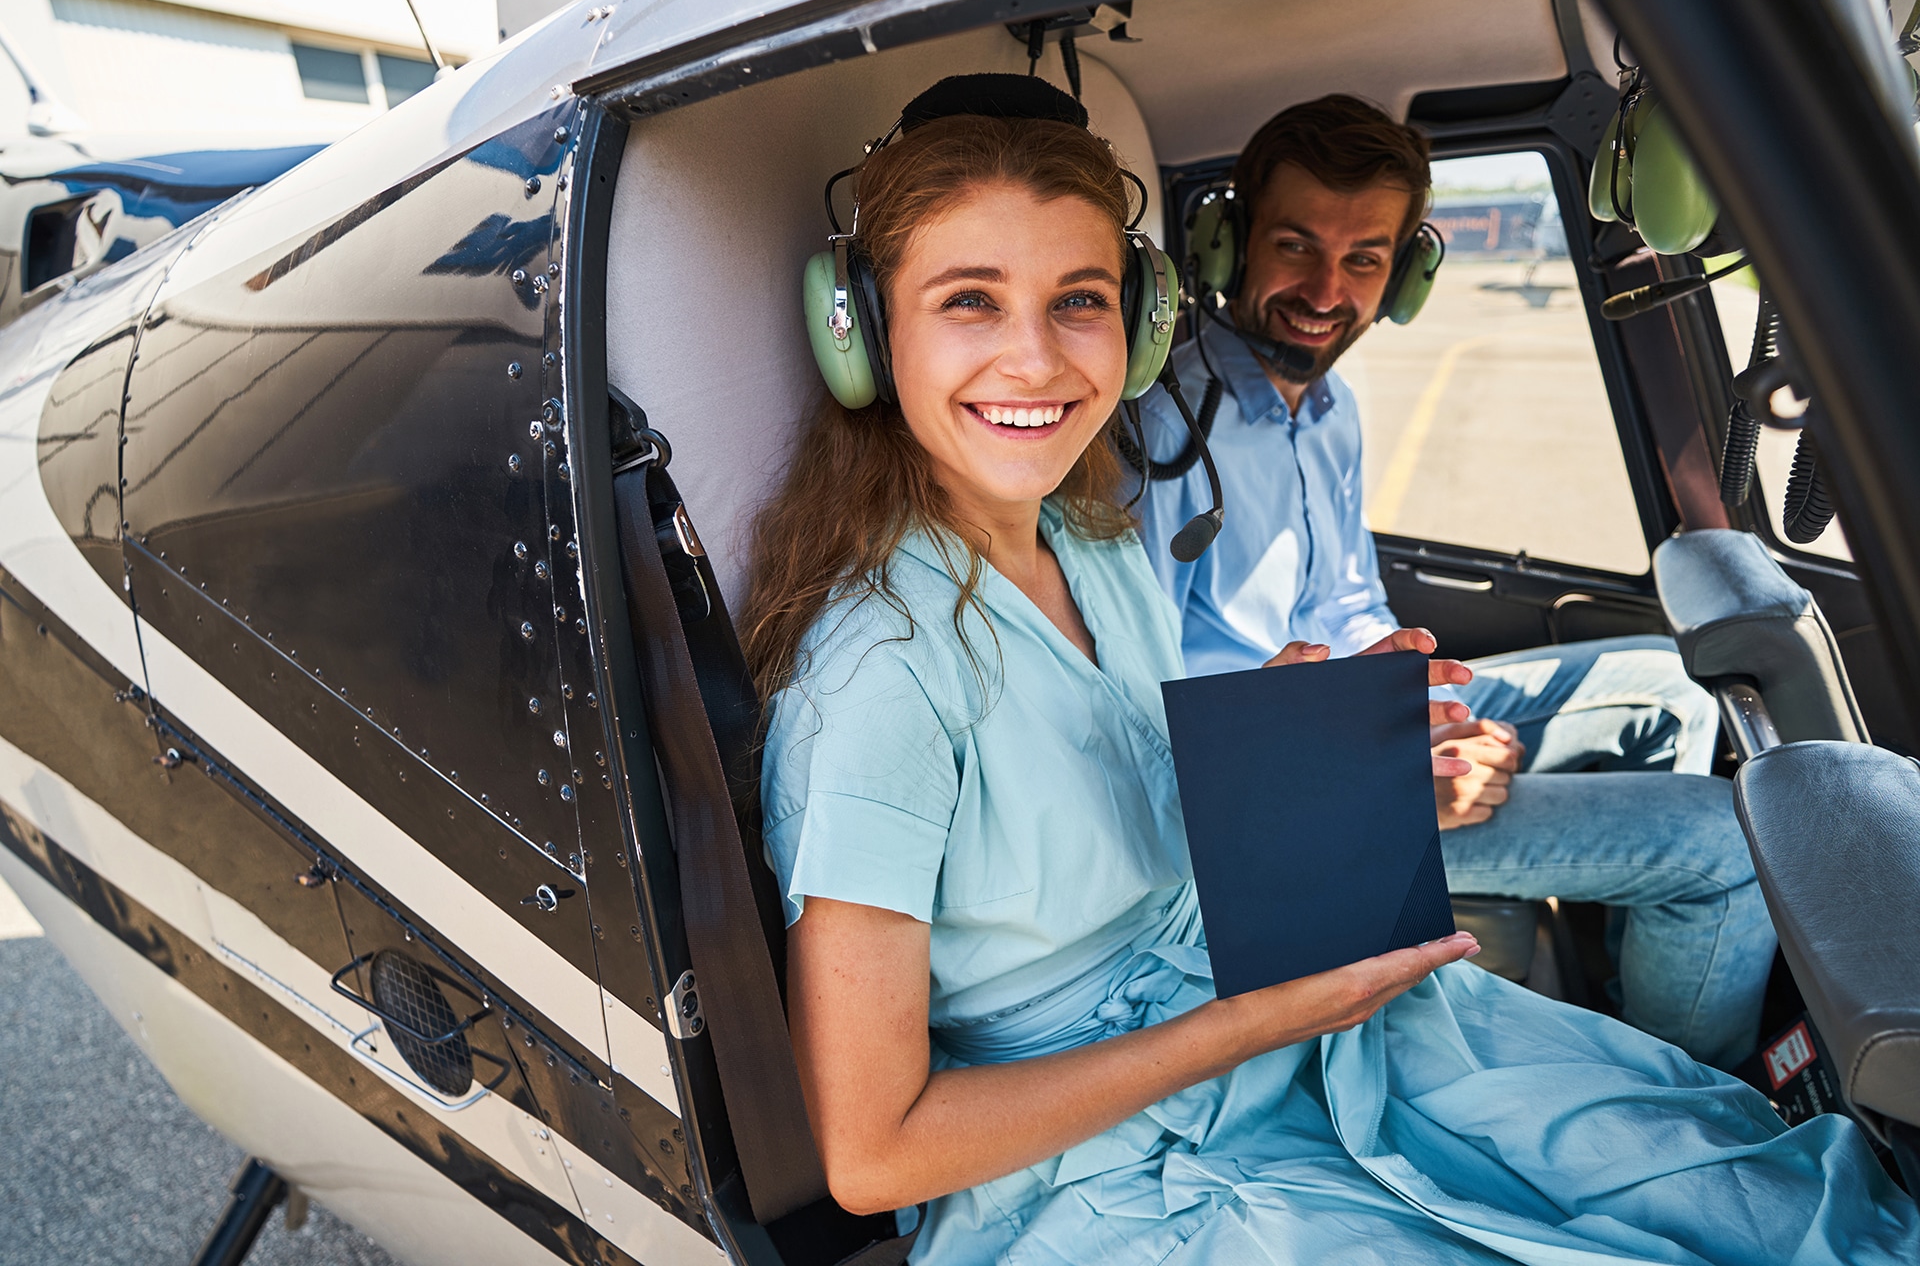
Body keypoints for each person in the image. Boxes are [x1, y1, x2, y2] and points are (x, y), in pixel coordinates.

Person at [745, 75, 1914, 1265]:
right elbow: (874, 1153)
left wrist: (1292, 718)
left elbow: (1132, 797)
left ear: (1141, 320)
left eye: (1079, 299)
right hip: (1108, 1161)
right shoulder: (878, 676)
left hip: (1267, 1001)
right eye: (970, 301)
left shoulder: (1091, 544)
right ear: (865, 328)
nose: (1035, 358)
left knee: (1753, 1185)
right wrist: (1253, 1021)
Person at [1135, 95, 1773, 1070]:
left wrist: (1428, 716)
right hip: (1265, 810)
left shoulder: (1332, 408)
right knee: (1727, 850)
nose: (1323, 289)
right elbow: (1148, 703)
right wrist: (1377, 772)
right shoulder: (1171, 430)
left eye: (1362, 258)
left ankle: (1624, 1002)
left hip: (1357, 729)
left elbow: (1350, 606)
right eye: (1294, 246)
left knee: (1667, 684)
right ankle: (1684, 1108)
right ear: (1227, 244)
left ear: (1404, 274)